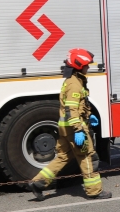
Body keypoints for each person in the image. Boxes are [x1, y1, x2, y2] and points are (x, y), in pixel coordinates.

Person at [25, 48, 108, 200]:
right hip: (73, 128)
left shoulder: (72, 81)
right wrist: (79, 129)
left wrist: (89, 117)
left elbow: (75, 107)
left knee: (62, 157)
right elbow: (71, 109)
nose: (88, 67)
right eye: (87, 65)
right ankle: (94, 191)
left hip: (65, 128)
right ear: (79, 65)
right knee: (88, 157)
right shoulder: (75, 84)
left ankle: (38, 183)